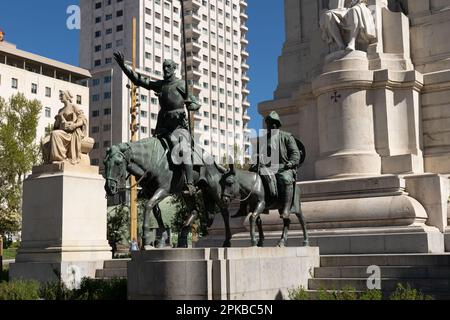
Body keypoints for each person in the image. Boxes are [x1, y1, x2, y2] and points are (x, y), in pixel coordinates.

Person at [114, 52, 200, 196]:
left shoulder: (180, 85)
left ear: (174, 69)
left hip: (179, 127)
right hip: (163, 127)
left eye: (168, 67)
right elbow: (139, 80)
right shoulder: (160, 85)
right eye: (164, 67)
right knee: (151, 152)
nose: (165, 69)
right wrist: (124, 66)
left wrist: (192, 105)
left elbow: (195, 103)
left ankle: (190, 183)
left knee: (183, 150)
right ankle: (150, 185)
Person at [256, 111, 301, 219]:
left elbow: (295, 153)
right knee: (253, 182)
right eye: (268, 124)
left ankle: (286, 209)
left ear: (276, 125)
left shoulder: (287, 137)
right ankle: (253, 206)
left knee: (286, 179)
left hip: (283, 167)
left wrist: (291, 163)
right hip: (267, 169)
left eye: (271, 124)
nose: (269, 126)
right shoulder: (263, 140)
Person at [41, 90, 88, 165]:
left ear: (67, 96)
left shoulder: (73, 107)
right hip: (62, 131)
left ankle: (59, 158)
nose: (60, 97)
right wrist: (57, 122)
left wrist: (74, 125)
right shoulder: (60, 110)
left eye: (62, 95)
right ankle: (47, 161)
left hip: (70, 132)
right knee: (44, 141)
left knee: (55, 134)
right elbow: (56, 126)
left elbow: (83, 118)